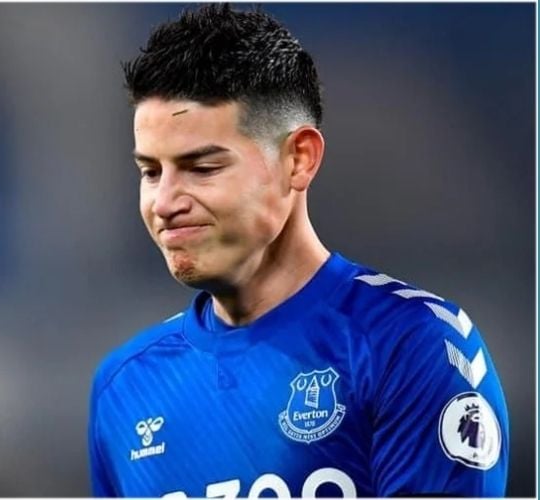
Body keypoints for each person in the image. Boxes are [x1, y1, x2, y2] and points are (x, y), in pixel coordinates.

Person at [88, 4, 509, 497]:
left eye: (202, 168)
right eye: (151, 172)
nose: (164, 203)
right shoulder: (126, 387)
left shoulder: (409, 345)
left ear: (298, 159)